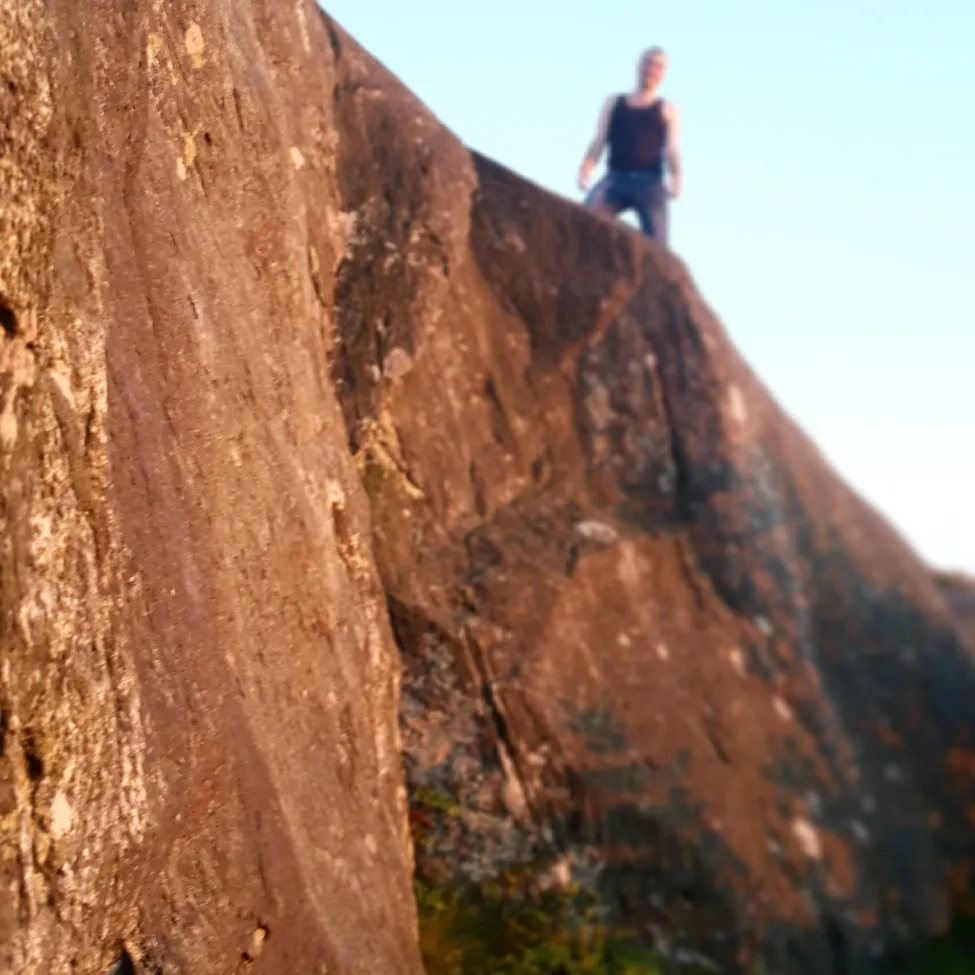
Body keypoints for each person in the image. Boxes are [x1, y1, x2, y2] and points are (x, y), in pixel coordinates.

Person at [577, 47, 682, 245]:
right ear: (639, 65)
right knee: (584, 221)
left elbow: (672, 150)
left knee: (659, 248)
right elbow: (599, 140)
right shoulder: (613, 103)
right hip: (616, 178)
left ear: (663, 73)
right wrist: (586, 168)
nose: (652, 70)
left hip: (650, 183)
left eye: (659, 66)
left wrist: (677, 178)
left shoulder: (668, 109)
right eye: (648, 63)